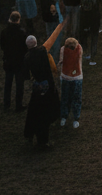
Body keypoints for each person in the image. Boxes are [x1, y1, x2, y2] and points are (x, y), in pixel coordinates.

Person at [23, 18, 64, 149]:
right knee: (45, 113)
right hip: (47, 85)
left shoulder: (27, 57)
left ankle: (29, 133)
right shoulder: (42, 52)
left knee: (33, 110)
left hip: (37, 86)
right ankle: (43, 141)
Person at [1, 9, 29, 111]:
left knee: (8, 83)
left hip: (8, 60)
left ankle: (6, 104)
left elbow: (2, 46)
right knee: (19, 84)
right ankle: (18, 105)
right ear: (18, 20)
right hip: (19, 61)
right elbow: (25, 48)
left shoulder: (4, 32)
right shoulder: (22, 33)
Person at [58, 36, 84, 128]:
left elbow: (61, 61)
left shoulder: (63, 49)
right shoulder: (79, 48)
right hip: (75, 77)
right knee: (73, 98)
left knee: (68, 97)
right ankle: (71, 117)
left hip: (69, 77)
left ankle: (68, 117)